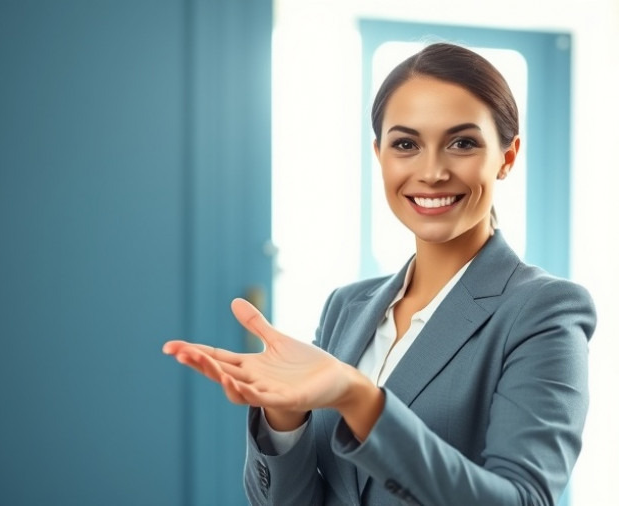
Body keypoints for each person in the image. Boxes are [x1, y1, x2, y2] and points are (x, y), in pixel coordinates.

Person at [164, 42, 596, 506]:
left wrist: (359, 400)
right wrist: (283, 417)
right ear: (380, 155)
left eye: (462, 143)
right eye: (406, 144)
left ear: (507, 158)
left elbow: (523, 500)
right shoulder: (347, 307)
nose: (431, 172)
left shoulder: (543, 311)